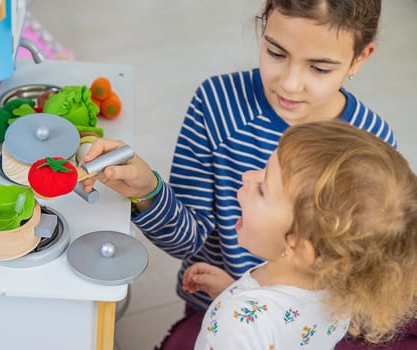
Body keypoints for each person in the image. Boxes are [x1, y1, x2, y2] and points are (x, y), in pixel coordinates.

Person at [82, 0, 406, 348]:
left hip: (304, 323)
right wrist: (148, 191)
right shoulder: (216, 103)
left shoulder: (371, 144)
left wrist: (249, 296)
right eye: (276, 53)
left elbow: (357, 269)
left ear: (360, 57)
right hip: (225, 299)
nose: (290, 84)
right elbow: (187, 240)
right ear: (263, 27)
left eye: (319, 68)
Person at [184, 120, 417, 349]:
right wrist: (235, 293)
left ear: (299, 249)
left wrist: (237, 313)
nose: (248, 176)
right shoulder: (338, 286)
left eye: (262, 188)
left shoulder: (234, 326)